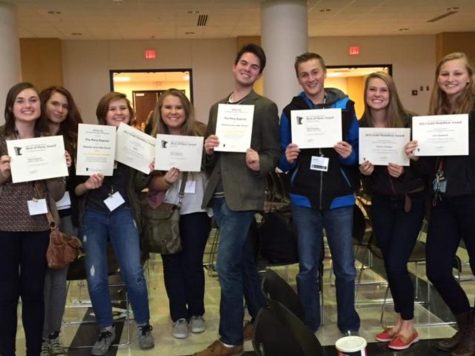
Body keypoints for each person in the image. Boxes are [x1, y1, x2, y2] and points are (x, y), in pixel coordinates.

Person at [194, 44, 280, 356]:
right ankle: (259, 319)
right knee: (242, 262)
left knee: (225, 266)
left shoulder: (265, 107)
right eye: (243, 63)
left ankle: (230, 340)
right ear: (234, 67)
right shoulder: (218, 108)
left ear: (259, 74)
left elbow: (274, 154)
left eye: (254, 66)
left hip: (243, 196)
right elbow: (212, 158)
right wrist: (208, 148)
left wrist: (262, 161)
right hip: (218, 194)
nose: (247, 69)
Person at [279, 52, 360, 334]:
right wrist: (287, 158)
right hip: (304, 199)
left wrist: (349, 155)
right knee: (307, 267)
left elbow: (357, 155)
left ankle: (348, 323)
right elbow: (282, 160)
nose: (311, 79)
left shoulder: (346, 107)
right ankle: (309, 322)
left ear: (324, 73)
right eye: (304, 74)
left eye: (315, 72)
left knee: (346, 268)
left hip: (340, 198)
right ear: (298, 78)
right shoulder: (291, 111)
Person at [406, 52, 475, 356]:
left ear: (469, 77)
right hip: (443, 202)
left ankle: (470, 333)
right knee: (436, 269)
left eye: (457, 74)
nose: (450, 79)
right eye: (445, 74)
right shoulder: (434, 116)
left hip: (472, 200)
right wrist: (417, 157)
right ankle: (468, 323)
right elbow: (428, 170)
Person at [74, 92, 154, 355]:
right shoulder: (88, 141)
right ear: (103, 115)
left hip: (122, 212)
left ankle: (144, 325)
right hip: (94, 215)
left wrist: (148, 168)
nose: (118, 113)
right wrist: (87, 184)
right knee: (96, 278)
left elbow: (141, 185)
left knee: (133, 272)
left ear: (130, 114)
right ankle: (106, 329)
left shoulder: (136, 142)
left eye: (123, 108)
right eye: (112, 109)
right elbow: (74, 189)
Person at [359, 72, 425, 350]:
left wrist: (411, 163)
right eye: (372, 89)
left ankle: (409, 326)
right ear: (366, 94)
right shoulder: (361, 126)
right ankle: (399, 321)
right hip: (382, 203)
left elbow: (428, 167)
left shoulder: (409, 122)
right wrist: (364, 172)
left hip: (410, 201)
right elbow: (360, 175)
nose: (377, 94)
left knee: (397, 263)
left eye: (383, 90)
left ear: (391, 93)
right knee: (389, 263)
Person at [0, 82, 66, 356]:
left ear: (39, 107)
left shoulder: (48, 141)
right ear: (11, 107)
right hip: (3, 227)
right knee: (5, 295)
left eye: (32, 100)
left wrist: (59, 168)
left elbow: (58, 193)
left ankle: (33, 352)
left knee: (34, 293)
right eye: (21, 101)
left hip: (38, 226)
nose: (28, 105)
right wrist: (2, 175)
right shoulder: (1, 139)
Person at [148, 89, 211, 339]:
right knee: (171, 265)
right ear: (160, 112)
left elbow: (214, 166)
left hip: (196, 209)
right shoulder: (152, 141)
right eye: (168, 107)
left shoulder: (201, 133)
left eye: (178, 107)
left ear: (186, 110)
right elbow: (150, 183)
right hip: (166, 211)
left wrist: (208, 151)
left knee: (193, 263)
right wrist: (165, 179)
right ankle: (179, 317)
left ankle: (196, 312)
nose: (173, 112)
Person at [39, 86, 83, 356]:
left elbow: (78, 183)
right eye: (54, 104)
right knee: (41, 280)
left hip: (67, 216)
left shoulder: (73, 139)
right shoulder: (33, 138)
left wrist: (71, 164)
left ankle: (54, 335)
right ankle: (41, 335)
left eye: (64, 106)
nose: (59, 109)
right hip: (40, 217)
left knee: (59, 279)